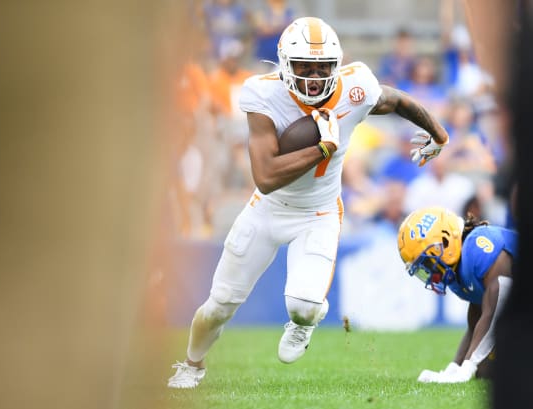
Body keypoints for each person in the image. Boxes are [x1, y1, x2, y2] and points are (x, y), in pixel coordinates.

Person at [168, 16, 450, 389]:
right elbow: (266, 178)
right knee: (218, 305)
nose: (315, 76)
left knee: (303, 307)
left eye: (323, 67)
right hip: (268, 209)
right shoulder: (263, 94)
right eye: (305, 67)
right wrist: (322, 149)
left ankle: (306, 320)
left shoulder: (356, 88)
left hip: (319, 213)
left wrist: (439, 134)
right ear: (286, 65)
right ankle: (192, 364)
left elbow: (397, 100)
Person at [397, 206, 517, 383]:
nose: (430, 273)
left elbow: (500, 295)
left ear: (446, 240)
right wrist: (455, 368)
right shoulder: (459, 271)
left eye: (428, 263)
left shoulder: (477, 245)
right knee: (484, 369)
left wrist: (468, 366)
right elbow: (477, 318)